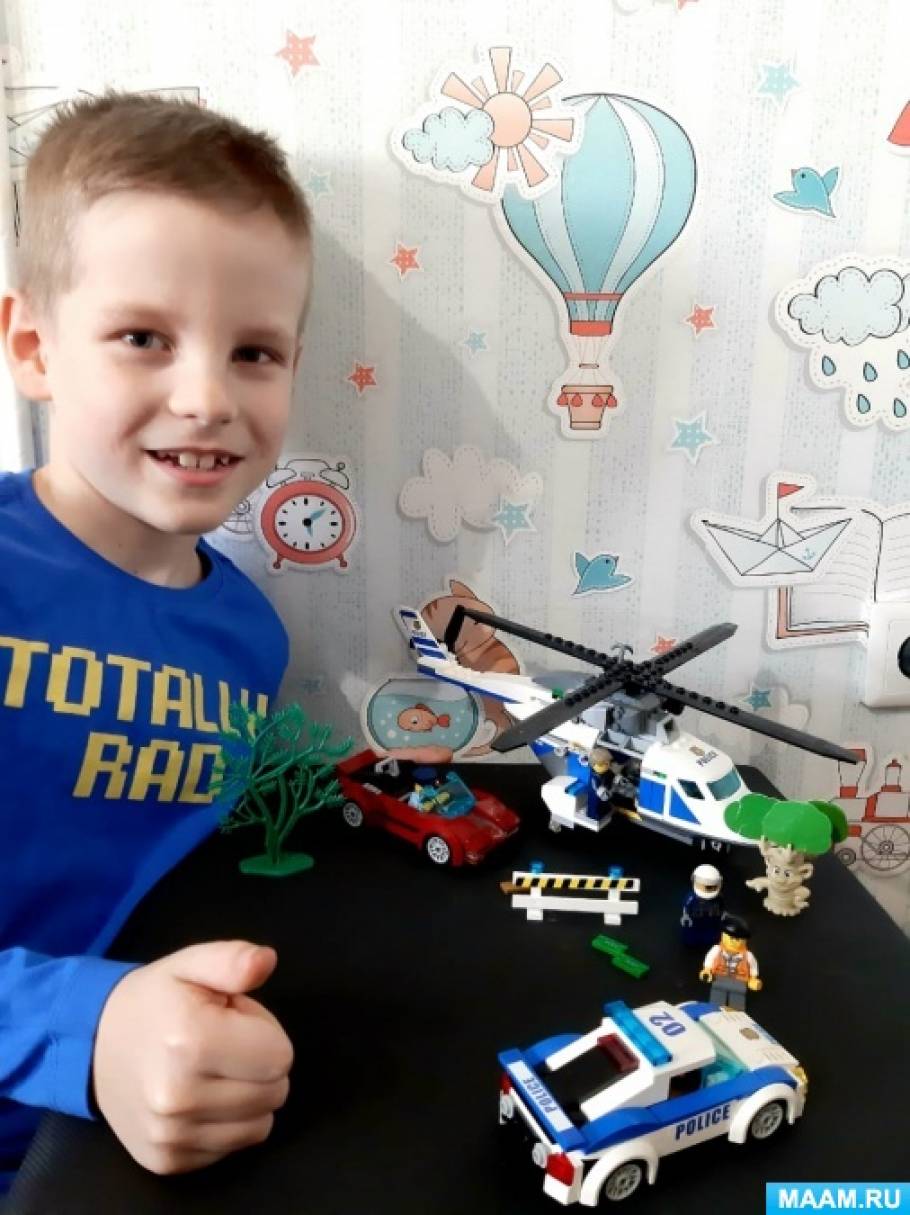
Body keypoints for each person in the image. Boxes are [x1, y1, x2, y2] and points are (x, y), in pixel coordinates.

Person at [0, 92, 313, 1189]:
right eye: (144, 338)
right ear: (34, 347)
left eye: (256, 352)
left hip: (143, 1147)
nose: (206, 397)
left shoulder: (252, 637)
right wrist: (85, 1028)